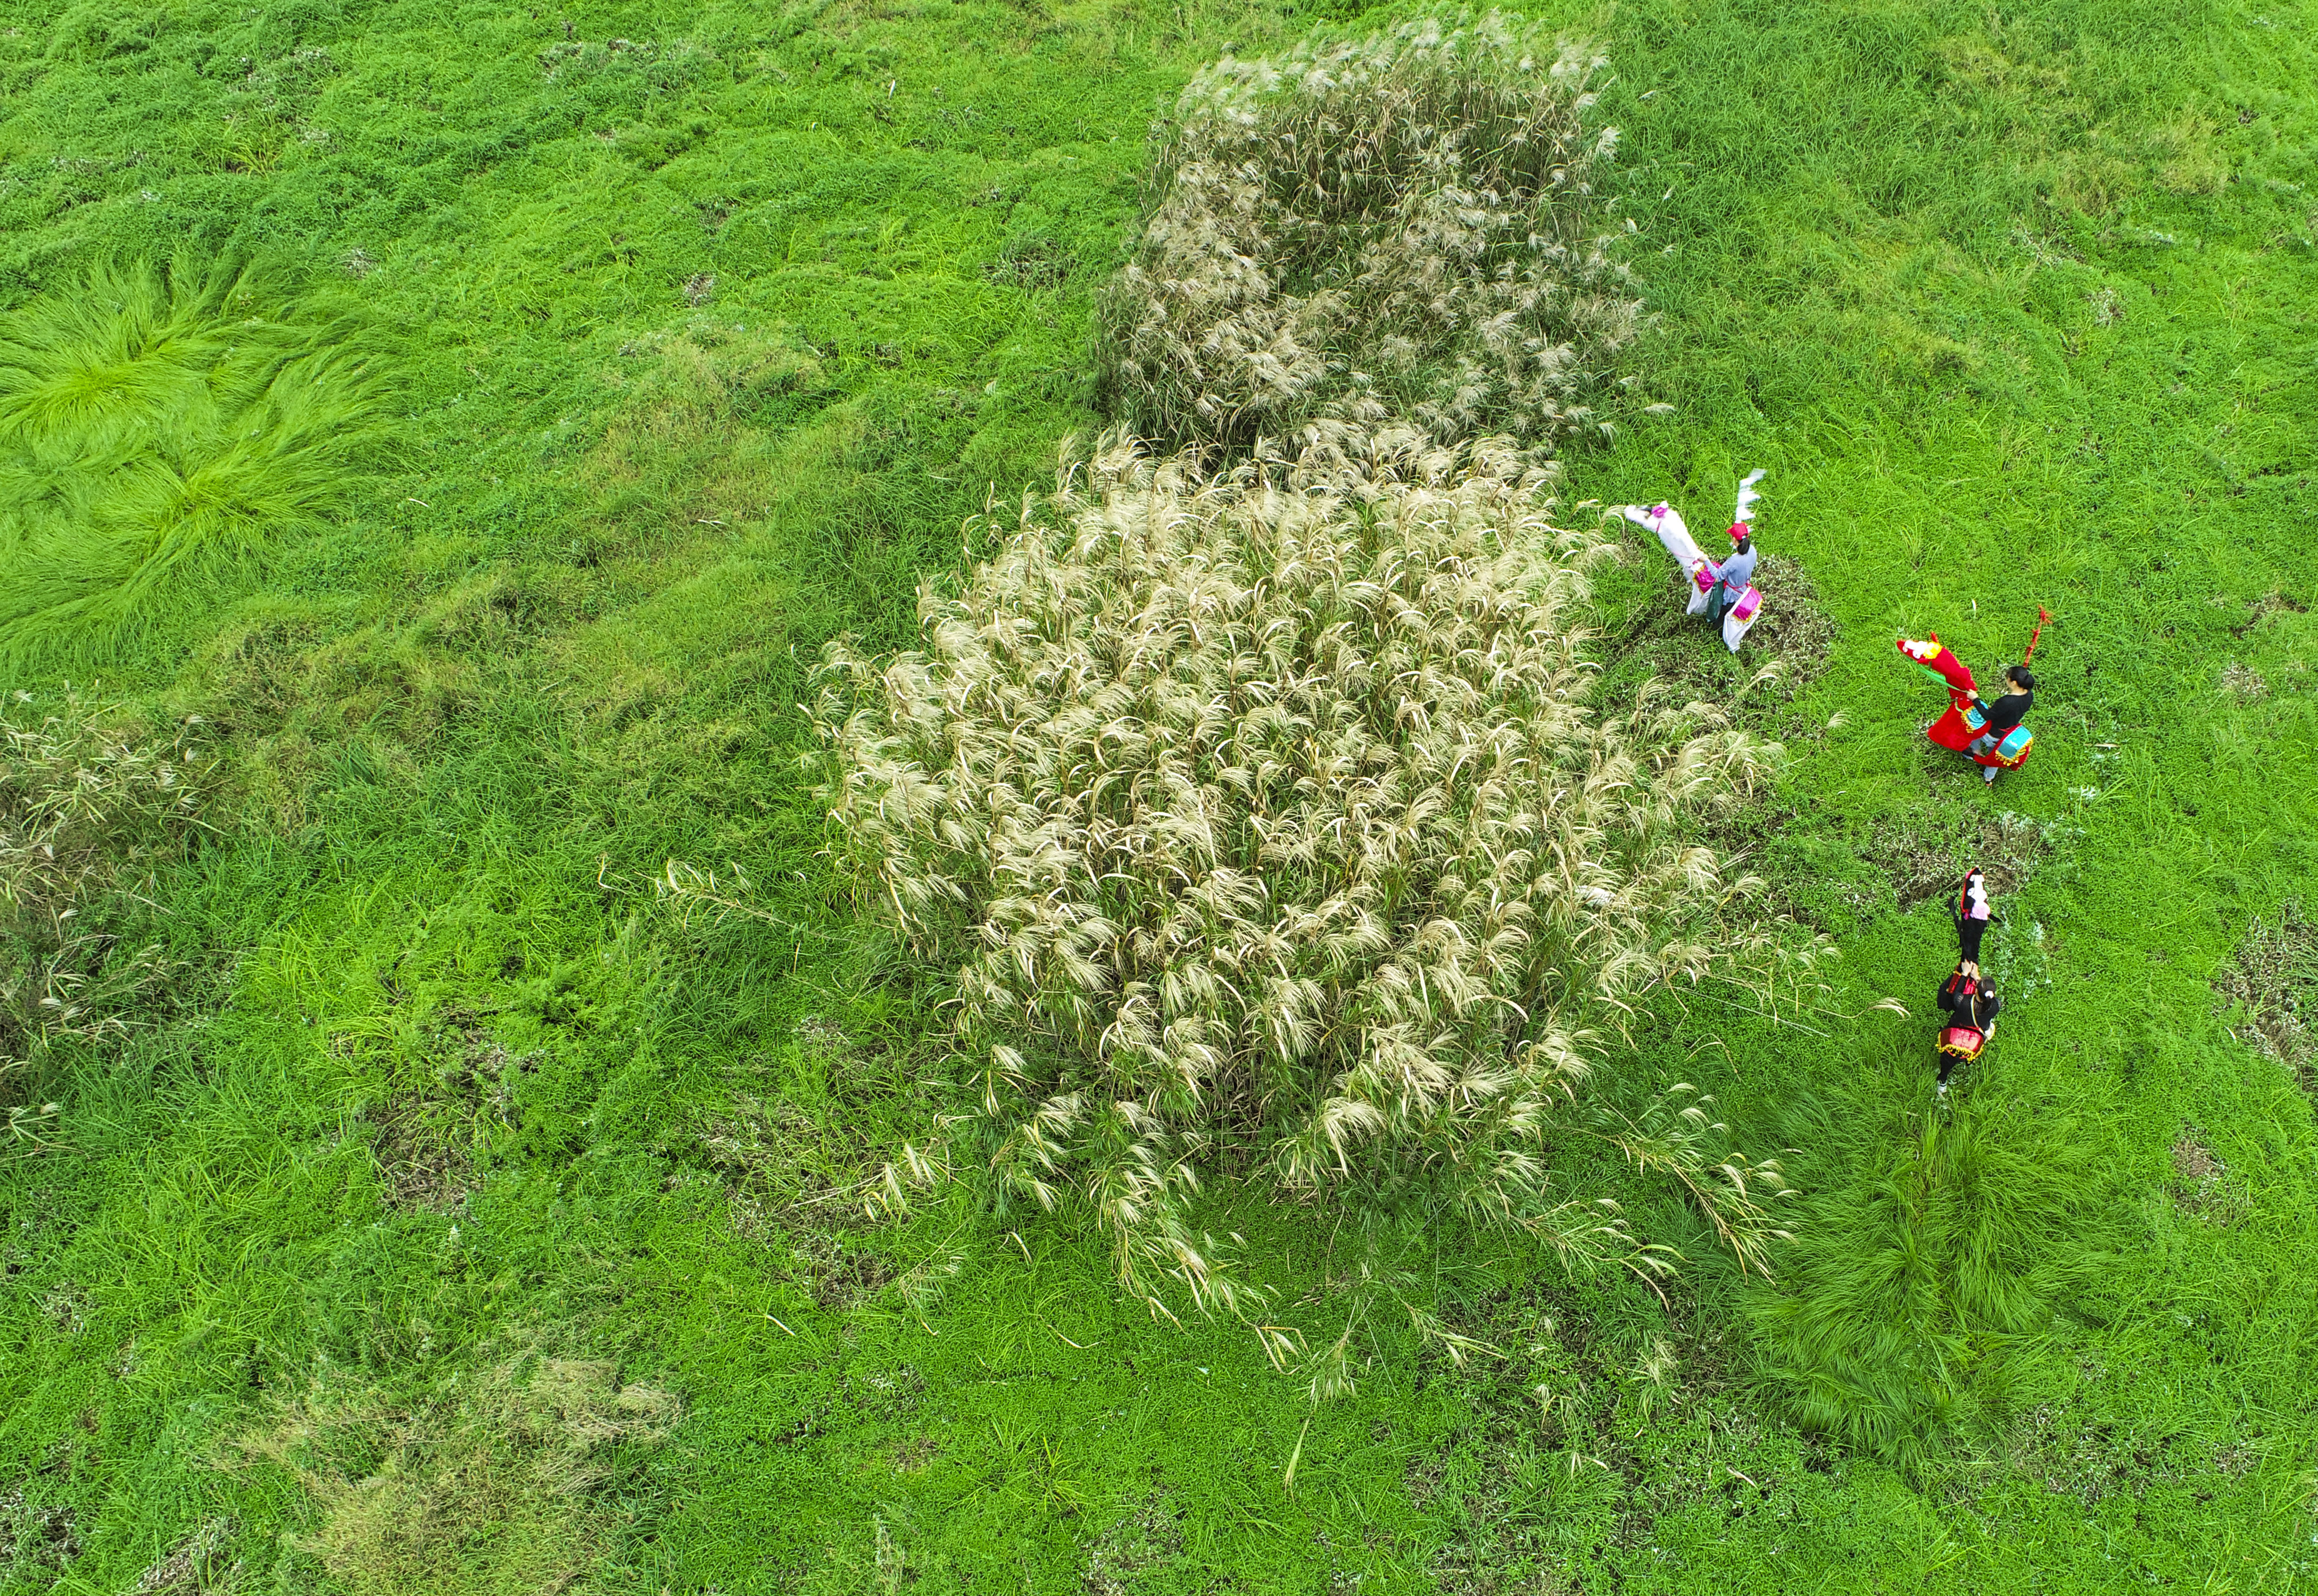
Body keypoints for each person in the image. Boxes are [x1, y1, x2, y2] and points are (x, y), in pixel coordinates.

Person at [1621, 470, 1767, 652]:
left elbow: (1718, 575)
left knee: (1720, 612)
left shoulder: (1734, 560)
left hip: (1732, 592)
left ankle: (1716, 630)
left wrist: (1706, 560)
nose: (1731, 540)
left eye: (1732, 538)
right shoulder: (1752, 551)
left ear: (1736, 541)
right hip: (1743, 584)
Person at [1933, 868, 2002, 1095]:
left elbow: (1955, 996)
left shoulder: (1964, 1002)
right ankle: (1987, 1032)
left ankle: (1942, 1083)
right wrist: (1978, 979)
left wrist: (1964, 974)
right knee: (1978, 1037)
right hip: (1974, 1037)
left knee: (1947, 1063)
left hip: (1957, 1036)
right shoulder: (1994, 1006)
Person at [1964, 666, 2035, 785]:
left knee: (1972, 725)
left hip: (1993, 733)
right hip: (2008, 731)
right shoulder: (2029, 695)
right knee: (1996, 757)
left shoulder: (2007, 702)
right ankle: (1988, 779)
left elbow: (1987, 715)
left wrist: (1975, 699)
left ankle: (1974, 751)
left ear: (2014, 682)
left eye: (2007, 678)